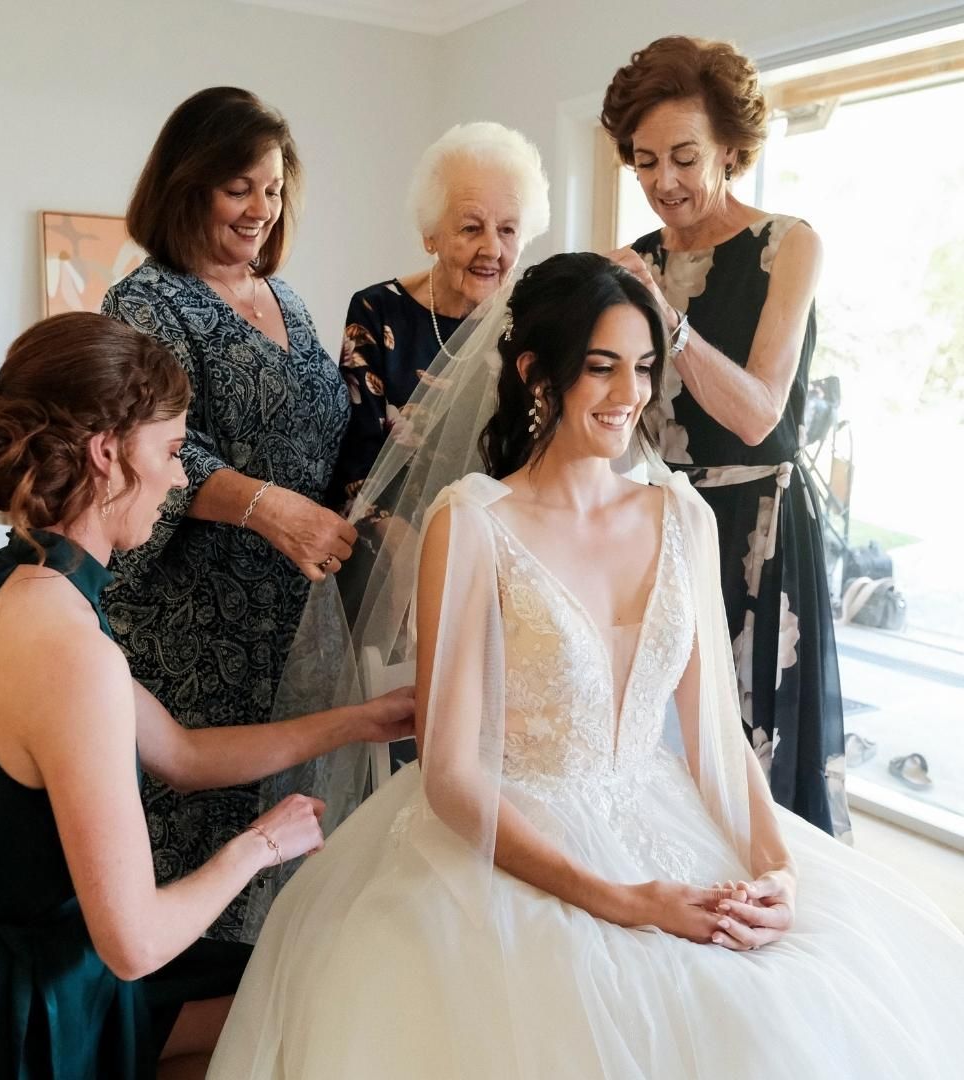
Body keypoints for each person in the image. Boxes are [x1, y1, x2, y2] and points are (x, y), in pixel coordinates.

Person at [206, 254, 964, 1080]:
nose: (628, 393)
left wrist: (776, 868)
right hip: (505, 837)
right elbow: (450, 777)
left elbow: (717, 739)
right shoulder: (474, 522)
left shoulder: (683, 516)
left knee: (795, 1014)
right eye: (602, 367)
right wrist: (624, 901)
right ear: (538, 372)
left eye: (642, 366)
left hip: (662, 816)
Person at [0, 313, 413, 1080]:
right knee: (304, 997)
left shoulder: (8, 578)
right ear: (106, 454)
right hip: (10, 1022)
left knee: (289, 983)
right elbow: (133, 944)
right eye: (170, 451)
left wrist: (362, 721)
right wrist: (262, 846)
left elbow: (184, 754)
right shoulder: (69, 650)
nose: (179, 478)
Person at [101, 87, 358, 942]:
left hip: (290, 622)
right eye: (238, 187)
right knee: (191, 869)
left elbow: (322, 433)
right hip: (192, 627)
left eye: (274, 189)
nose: (261, 209)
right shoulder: (148, 304)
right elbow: (159, 450)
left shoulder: (287, 300)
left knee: (282, 871)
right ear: (188, 185)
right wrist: (265, 508)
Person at [601, 36, 848, 837]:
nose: (662, 182)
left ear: (732, 150)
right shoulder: (634, 261)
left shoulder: (789, 246)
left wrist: (666, 317)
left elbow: (758, 415)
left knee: (746, 753)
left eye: (684, 157)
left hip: (755, 533)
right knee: (651, 746)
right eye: (644, 162)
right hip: (655, 527)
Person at [327, 121, 550, 514]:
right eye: (471, 228)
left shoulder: (535, 321)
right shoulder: (377, 311)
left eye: (507, 230)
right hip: (390, 533)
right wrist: (412, 546)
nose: (492, 249)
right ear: (430, 235)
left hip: (503, 531)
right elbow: (357, 465)